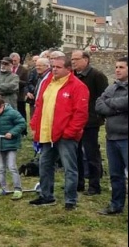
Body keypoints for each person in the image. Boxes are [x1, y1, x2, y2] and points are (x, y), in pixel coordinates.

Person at [29, 56, 89, 210]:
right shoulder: (48, 83)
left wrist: (69, 132)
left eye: (58, 67)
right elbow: (39, 104)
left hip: (65, 136)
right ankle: (46, 195)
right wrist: (35, 123)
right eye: (53, 66)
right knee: (45, 164)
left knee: (70, 168)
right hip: (47, 132)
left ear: (68, 69)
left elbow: (80, 114)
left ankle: (70, 200)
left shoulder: (78, 86)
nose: (54, 69)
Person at [71, 50, 109, 196]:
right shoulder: (73, 76)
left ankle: (94, 185)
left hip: (90, 121)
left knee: (91, 153)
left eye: (76, 59)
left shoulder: (97, 76)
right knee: (76, 153)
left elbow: (103, 98)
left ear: (86, 59)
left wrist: (98, 117)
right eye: (72, 59)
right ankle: (79, 183)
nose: (73, 62)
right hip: (75, 121)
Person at [94, 57, 128, 216]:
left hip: (126, 138)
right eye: (116, 67)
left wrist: (111, 104)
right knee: (115, 174)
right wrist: (117, 107)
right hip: (112, 137)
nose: (117, 70)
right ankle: (116, 205)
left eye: (121, 67)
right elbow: (99, 105)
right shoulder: (112, 87)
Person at [0, 96, 27, 200]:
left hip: (11, 144)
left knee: (11, 166)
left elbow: (22, 123)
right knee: (0, 168)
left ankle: (18, 188)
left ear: (2, 106)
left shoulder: (12, 113)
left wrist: (12, 133)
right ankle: (3, 187)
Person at [10, 53, 30, 129]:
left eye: (15, 60)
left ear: (19, 60)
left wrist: (15, 81)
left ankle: (23, 130)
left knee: (21, 113)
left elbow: (26, 82)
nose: (13, 62)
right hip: (10, 95)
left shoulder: (24, 70)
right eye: (12, 61)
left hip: (19, 96)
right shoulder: (8, 68)